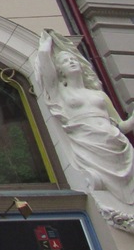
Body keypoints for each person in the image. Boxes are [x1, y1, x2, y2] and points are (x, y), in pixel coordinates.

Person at [34, 30, 134, 204]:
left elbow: (122, 126)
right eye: (65, 61)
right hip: (88, 144)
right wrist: (47, 42)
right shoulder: (60, 92)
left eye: (73, 59)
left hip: (117, 143)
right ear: (60, 70)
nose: (71, 62)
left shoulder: (99, 95)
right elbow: (45, 62)